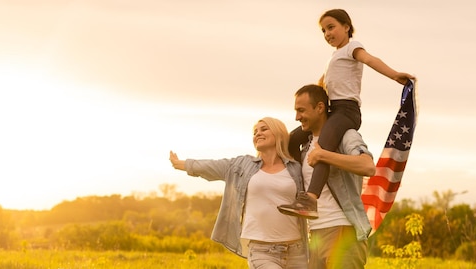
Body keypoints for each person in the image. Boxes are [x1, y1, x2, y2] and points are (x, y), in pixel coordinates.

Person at [281, 8, 414, 218]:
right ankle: (300, 189)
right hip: (334, 110)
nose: (327, 34)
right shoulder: (334, 57)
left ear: (346, 27)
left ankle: (311, 199)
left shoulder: (353, 47)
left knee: (323, 147)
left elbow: (370, 60)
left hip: (347, 111)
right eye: (323, 31)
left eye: (331, 27)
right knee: (292, 138)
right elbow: (322, 83)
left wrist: (394, 74)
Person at [169, 117, 309, 269]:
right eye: (255, 132)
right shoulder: (242, 165)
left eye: (264, 129)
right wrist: (183, 164)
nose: (258, 134)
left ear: (278, 133)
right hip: (262, 251)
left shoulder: (295, 168)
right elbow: (212, 165)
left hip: (296, 250)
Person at [282, 84, 375, 269]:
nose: (297, 117)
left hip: (343, 230)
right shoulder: (305, 146)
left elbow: (368, 166)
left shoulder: (346, 136)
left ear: (320, 107)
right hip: (315, 234)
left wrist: (324, 155)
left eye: (301, 110)